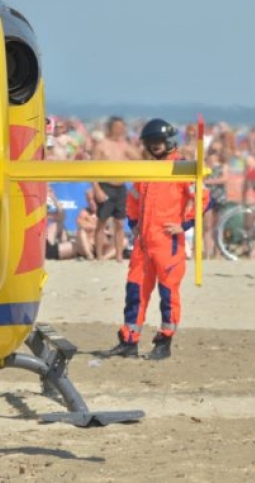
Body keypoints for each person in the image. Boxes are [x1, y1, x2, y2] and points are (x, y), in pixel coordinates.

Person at [101, 118, 209, 360]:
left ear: (169, 141)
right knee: (135, 291)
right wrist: (133, 223)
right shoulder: (147, 170)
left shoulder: (181, 167)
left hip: (167, 242)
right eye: (151, 142)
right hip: (143, 244)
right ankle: (129, 341)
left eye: (159, 141)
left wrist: (184, 225)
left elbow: (203, 198)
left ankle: (164, 342)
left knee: (168, 293)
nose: (155, 145)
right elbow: (133, 199)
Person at [91, 116, 141, 262]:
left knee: (120, 222)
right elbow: (92, 169)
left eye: (122, 127)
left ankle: (118, 255)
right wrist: (96, 189)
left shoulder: (124, 145)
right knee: (102, 221)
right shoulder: (101, 145)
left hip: (120, 187)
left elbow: (139, 159)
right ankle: (99, 255)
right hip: (105, 185)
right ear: (110, 128)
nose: (120, 130)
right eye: (117, 127)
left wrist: (131, 144)